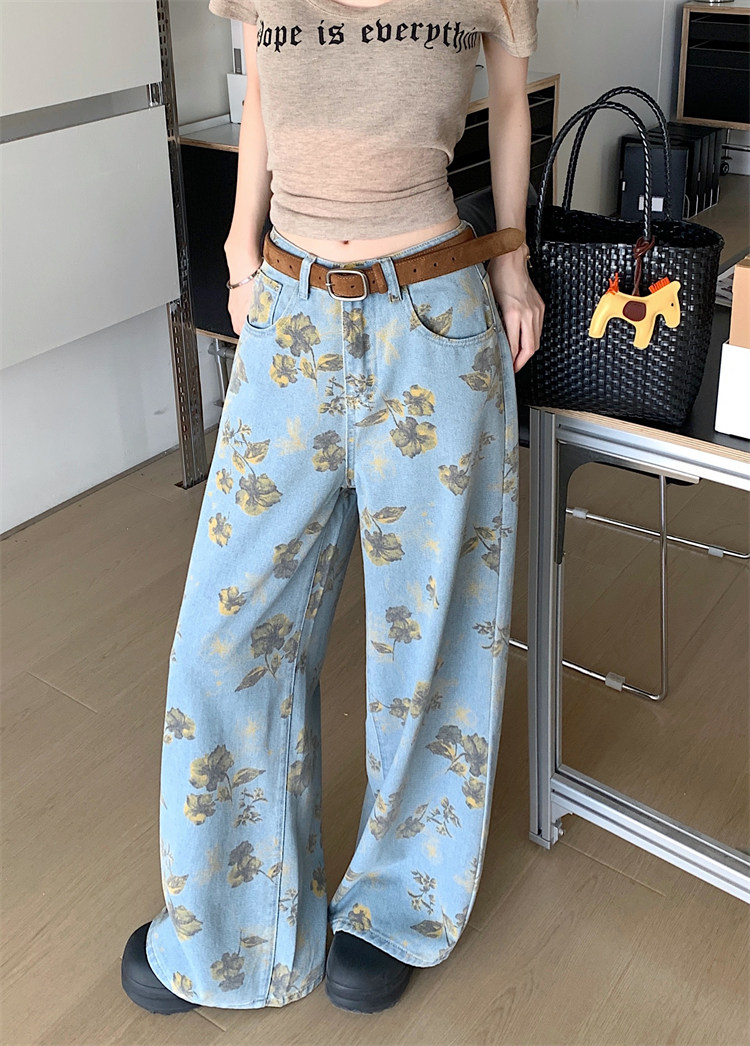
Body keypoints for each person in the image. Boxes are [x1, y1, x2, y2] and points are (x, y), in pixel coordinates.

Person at [121, 0, 543, 1017]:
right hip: (293, 312)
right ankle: (235, 931)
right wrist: (239, 251)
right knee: (227, 629)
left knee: (429, 633)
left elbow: (510, 102)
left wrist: (513, 258)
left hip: (432, 313)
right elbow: (262, 93)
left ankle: (394, 906)